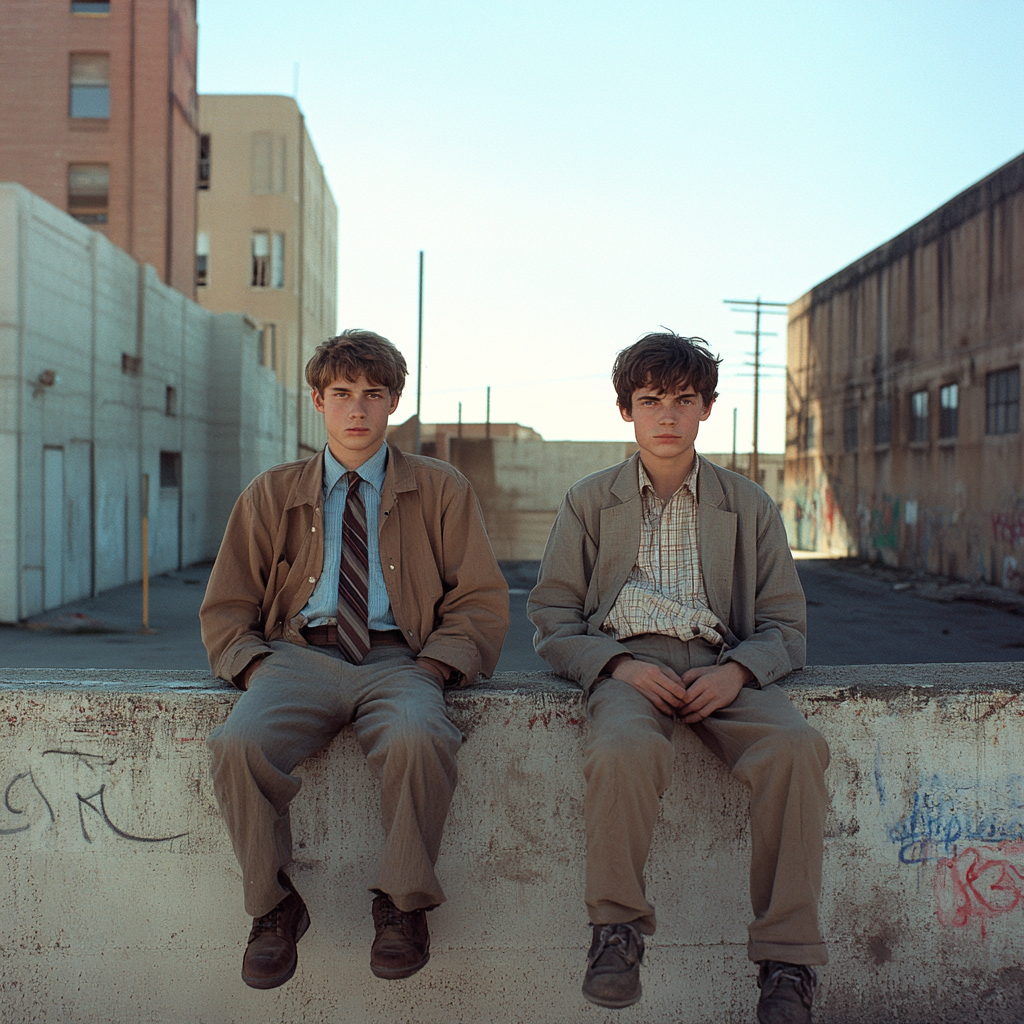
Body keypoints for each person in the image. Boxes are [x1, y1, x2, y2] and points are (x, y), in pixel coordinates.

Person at [528, 332, 829, 1023]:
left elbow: (786, 623)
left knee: (796, 749)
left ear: (706, 410)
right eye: (650, 400)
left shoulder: (748, 505)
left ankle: (787, 960)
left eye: (683, 400)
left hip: (726, 670)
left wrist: (740, 673)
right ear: (625, 411)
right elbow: (550, 614)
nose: (667, 415)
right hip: (626, 668)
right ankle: (616, 932)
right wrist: (616, 664)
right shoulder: (587, 501)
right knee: (622, 751)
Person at [201, 329, 509, 990]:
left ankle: (401, 905)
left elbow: (482, 599)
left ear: (395, 400)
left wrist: (433, 668)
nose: (358, 408)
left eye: (374, 393)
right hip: (296, 658)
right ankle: (273, 908)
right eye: (341, 392)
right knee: (237, 744)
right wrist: (256, 669)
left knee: (421, 736)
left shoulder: (442, 488)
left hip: (402, 661)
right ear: (318, 399)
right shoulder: (270, 492)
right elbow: (226, 605)